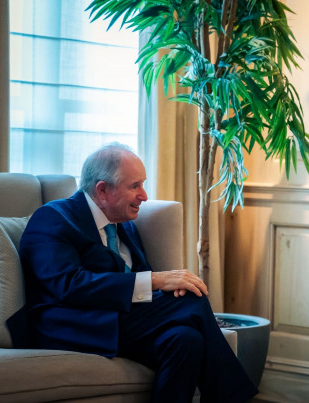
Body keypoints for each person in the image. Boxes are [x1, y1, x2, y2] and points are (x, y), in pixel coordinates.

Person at [19, 143, 257, 403]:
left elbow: (140, 287)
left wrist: (165, 291)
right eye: (134, 186)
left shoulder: (124, 224)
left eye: (142, 184)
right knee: (191, 300)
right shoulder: (53, 218)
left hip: (122, 321)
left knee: (186, 340)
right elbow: (69, 285)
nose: (144, 195)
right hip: (74, 325)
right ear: (102, 190)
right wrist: (156, 280)